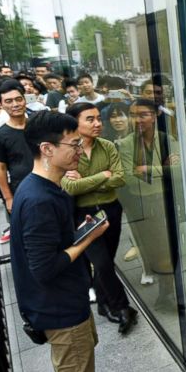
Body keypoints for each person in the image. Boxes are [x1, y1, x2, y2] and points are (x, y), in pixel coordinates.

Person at [9, 110, 125, 372]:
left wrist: (80, 231)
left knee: (77, 371)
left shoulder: (45, 187)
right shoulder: (39, 199)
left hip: (65, 301)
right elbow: (47, 267)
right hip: (59, 308)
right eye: (72, 144)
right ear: (46, 149)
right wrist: (87, 240)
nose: (79, 150)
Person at [63, 102, 137, 334]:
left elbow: (120, 178)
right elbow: (71, 187)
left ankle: (104, 305)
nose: (97, 123)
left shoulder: (106, 146)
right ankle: (122, 307)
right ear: (75, 123)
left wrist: (88, 181)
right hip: (84, 215)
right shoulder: (67, 149)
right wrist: (103, 176)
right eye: (90, 119)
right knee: (102, 263)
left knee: (107, 261)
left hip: (111, 209)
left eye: (98, 118)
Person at [116, 99, 178, 291]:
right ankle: (163, 286)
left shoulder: (167, 139)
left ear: (155, 116)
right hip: (140, 203)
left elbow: (180, 172)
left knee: (168, 247)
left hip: (165, 200)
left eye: (143, 114)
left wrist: (147, 169)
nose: (137, 120)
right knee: (150, 248)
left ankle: (168, 291)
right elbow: (129, 178)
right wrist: (165, 168)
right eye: (133, 115)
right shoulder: (125, 144)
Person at [0, 80, 33, 243]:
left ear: (25, 99)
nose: (15, 104)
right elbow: (0, 169)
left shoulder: (39, 124)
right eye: (8, 101)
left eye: (18, 99)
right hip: (22, 189)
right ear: (1, 105)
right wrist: (9, 198)